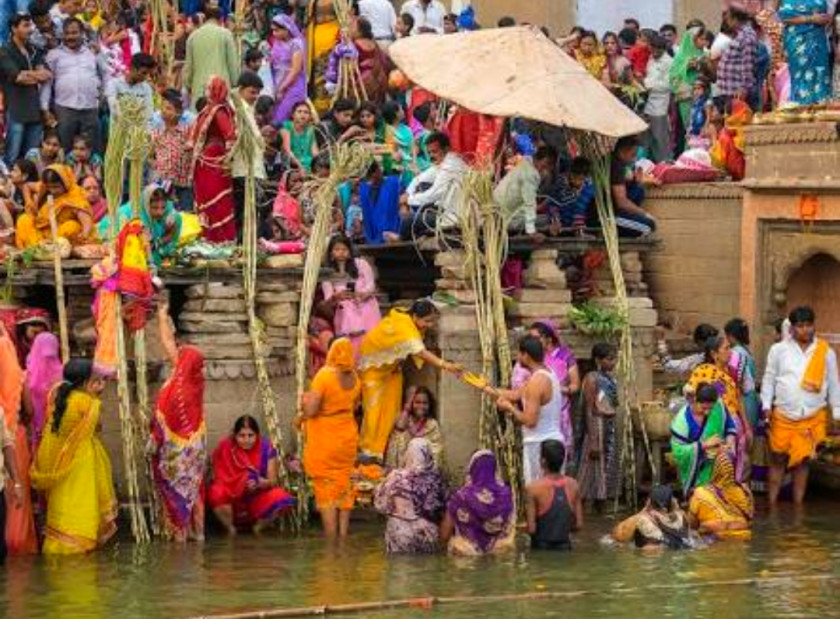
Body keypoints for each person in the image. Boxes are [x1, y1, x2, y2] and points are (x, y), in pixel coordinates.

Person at [358, 299, 462, 464]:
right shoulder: (404, 327)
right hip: (373, 370)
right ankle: (368, 452)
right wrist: (445, 364)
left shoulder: (408, 320)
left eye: (432, 322)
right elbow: (420, 352)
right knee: (374, 413)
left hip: (392, 370)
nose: (429, 325)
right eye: (427, 321)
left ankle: (381, 451)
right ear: (414, 316)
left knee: (391, 412)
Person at [30, 359, 117, 554]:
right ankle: (79, 547)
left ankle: (57, 545)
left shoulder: (56, 397)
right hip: (82, 464)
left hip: (61, 463)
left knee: (63, 504)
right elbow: (95, 429)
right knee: (80, 504)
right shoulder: (88, 403)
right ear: (86, 382)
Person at [761, 306, 840, 506]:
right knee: (777, 459)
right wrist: (765, 405)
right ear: (792, 328)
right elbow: (769, 379)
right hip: (783, 414)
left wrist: (837, 412)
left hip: (812, 416)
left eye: (808, 325)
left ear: (814, 326)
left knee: (803, 462)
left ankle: (798, 509)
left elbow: (833, 383)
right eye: (800, 326)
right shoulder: (778, 350)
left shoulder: (826, 352)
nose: (805, 330)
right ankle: (772, 506)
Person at [149, 301, 206, 542]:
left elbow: (167, 415)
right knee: (195, 491)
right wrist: (162, 315)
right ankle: (199, 536)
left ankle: (180, 540)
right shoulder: (194, 379)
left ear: (183, 362)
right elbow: (168, 344)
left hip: (176, 450)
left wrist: (154, 435)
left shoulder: (179, 386)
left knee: (176, 493)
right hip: (196, 447)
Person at [300, 338, 360, 540]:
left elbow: (311, 410)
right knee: (343, 484)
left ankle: (330, 542)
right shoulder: (355, 377)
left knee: (326, 489)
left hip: (326, 438)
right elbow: (356, 405)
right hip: (347, 437)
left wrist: (304, 401)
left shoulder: (324, 376)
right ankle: (343, 538)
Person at [492, 335, 564, 485]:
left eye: (519, 353)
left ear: (526, 355)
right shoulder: (546, 373)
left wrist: (509, 408)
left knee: (539, 494)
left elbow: (530, 421)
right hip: (551, 442)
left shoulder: (536, 382)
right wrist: (485, 387)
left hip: (540, 445)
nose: (517, 357)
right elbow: (517, 394)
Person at [208, 415, 295, 534]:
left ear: (257, 435)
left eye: (250, 435)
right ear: (235, 435)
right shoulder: (226, 447)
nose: (246, 440)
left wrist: (261, 483)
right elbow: (218, 477)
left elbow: (273, 481)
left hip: (256, 499)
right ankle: (230, 530)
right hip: (232, 501)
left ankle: (257, 529)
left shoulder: (266, 448)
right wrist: (241, 482)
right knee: (215, 492)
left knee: (282, 498)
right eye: (242, 435)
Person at [686, 335, 750, 481]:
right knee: (715, 463)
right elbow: (689, 392)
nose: (731, 352)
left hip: (733, 425)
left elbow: (738, 399)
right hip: (714, 426)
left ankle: (729, 497)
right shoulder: (703, 371)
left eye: (730, 348)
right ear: (714, 354)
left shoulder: (731, 372)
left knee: (733, 465)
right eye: (726, 348)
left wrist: (746, 426)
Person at [512, 321, 580, 459]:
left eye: (537, 338)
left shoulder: (563, 357)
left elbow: (575, 385)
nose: (533, 341)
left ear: (549, 339)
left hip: (559, 410)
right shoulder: (529, 364)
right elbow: (519, 389)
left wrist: (558, 389)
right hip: (534, 410)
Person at [40, 18, 108, 152]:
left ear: (82, 33)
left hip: (90, 109)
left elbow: (106, 74)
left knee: (92, 151)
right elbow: (47, 84)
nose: (70, 36)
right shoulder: (54, 55)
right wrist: (45, 108)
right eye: (67, 33)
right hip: (64, 110)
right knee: (63, 150)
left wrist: (103, 98)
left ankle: (92, 173)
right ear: (62, 34)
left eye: (74, 32)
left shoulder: (92, 52)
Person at [374, 437, 446, 553]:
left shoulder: (396, 477)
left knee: (400, 567)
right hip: (428, 533)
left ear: (408, 453)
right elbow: (443, 508)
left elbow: (380, 505)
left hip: (400, 533)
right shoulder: (437, 479)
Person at [0, 324, 36, 555]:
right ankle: (18, 543)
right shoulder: (19, 377)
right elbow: (30, 412)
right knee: (15, 493)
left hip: (11, 439)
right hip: (15, 437)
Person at [395, 131, 467, 241]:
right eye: (429, 152)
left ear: (446, 149)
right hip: (444, 209)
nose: (431, 156)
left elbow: (433, 194)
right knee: (421, 190)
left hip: (452, 215)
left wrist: (408, 200)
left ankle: (400, 240)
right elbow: (418, 179)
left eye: (434, 152)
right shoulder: (445, 161)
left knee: (408, 221)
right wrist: (408, 194)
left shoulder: (451, 166)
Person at [440, 450, 515, 556]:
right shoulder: (506, 495)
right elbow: (511, 528)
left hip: (466, 554)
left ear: (472, 469)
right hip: (498, 553)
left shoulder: (460, 497)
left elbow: (444, 534)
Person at [0, 13, 51, 167]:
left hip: (35, 111)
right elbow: (17, 77)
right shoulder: (5, 51)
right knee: (12, 156)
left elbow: (47, 74)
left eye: (30, 25)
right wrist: (35, 75)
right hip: (16, 110)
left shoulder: (33, 49)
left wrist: (27, 74)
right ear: (14, 28)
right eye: (25, 26)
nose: (30, 29)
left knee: (31, 158)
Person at [192, 76, 237, 243]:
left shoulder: (219, 111)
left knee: (217, 202)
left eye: (208, 87)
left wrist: (227, 159)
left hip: (213, 164)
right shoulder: (208, 109)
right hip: (204, 163)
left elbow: (230, 136)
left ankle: (221, 240)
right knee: (205, 200)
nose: (205, 90)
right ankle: (208, 239)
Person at [671, 383, 737, 496]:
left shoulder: (718, 406)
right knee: (701, 501)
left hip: (718, 467)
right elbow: (678, 453)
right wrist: (703, 445)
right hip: (697, 473)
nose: (707, 412)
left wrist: (730, 443)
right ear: (694, 400)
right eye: (703, 408)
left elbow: (729, 426)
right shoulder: (682, 422)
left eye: (710, 408)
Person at [321, 235, 381, 356]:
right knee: (350, 349)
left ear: (349, 251)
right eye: (337, 249)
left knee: (370, 344)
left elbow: (371, 285)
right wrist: (336, 297)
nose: (341, 253)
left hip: (367, 308)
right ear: (331, 252)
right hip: (345, 314)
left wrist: (361, 293)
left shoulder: (361, 264)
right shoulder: (328, 273)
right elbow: (328, 298)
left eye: (344, 249)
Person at [577, 342, 621, 507]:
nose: (613, 362)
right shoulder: (591, 378)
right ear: (598, 360)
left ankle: (600, 502)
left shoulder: (610, 378)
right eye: (609, 359)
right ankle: (579, 505)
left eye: (614, 359)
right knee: (589, 464)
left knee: (604, 466)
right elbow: (589, 408)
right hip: (596, 425)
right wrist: (593, 439)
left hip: (608, 425)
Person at [98, 183, 182, 267]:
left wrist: (170, 233)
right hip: (114, 241)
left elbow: (174, 223)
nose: (159, 212)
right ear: (146, 205)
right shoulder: (134, 215)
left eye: (163, 207)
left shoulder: (167, 213)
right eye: (155, 208)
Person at [15, 164, 94, 249]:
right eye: (50, 187)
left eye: (56, 187)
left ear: (66, 182)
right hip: (42, 233)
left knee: (71, 226)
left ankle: (50, 249)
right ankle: (37, 248)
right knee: (24, 219)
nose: (52, 191)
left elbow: (86, 222)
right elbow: (27, 186)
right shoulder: (44, 188)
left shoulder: (75, 196)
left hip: (61, 236)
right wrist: (29, 201)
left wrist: (84, 236)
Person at [525, 440, 583, 551]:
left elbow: (531, 529)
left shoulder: (532, 488)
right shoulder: (574, 484)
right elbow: (579, 525)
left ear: (543, 461)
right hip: (565, 547)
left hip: (540, 550)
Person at [182, 6, 239, 110]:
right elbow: (233, 65)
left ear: (205, 19)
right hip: (221, 89)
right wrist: (235, 83)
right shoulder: (226, 34)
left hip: (199, 89)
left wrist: (188, 85)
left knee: (200, 120)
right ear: (221, 19)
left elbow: (189, 67)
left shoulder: (193, 36)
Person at [688, 451, 754, 540]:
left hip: (711, 542)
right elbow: (750, 523)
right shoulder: (745, 491)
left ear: (715, 469)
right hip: (740, 542)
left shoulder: (700, 493)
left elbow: (692, 526)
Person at [779, 0, 832, 104]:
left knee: (820, 75)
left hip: (818, 41)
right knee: (801, 76)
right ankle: (801, 108)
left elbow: (826, 14)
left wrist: (826, 19)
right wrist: (811, 19)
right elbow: (784, 17)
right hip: (798, 42)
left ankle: (821, 109)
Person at [150, 89, 194, 211]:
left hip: (184, 184)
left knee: (186, 213)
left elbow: (194, 148)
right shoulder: (157, 133)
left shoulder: (187, 131)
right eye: (163, 108)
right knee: (164, 212)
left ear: (179, 113)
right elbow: (150, 154)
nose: (164, 111)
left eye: (169, 108)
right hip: (163, 183)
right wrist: (154, 163)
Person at [612, 485, 693, 549]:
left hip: (652, 554)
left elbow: (617, 536)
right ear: (672, 502)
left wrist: (641, 513)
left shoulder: (641, 520)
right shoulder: (682, 517)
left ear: (649, 501)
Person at [494, 134, 542, 240]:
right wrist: (532, 232)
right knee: (546, 220)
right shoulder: (530, 174)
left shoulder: (525, 162)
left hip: (499, 213)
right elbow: (530, 203)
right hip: (505, 219)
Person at [22, 332, 63, 454]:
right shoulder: (62, 374)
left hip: (36, 430)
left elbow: (28, 411)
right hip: (57, 430)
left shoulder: (26, 375)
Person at [609, 136, 656, 238]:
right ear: (623, 151)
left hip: (618, 212)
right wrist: (644, 214)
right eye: (633, 155)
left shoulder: (620, 164)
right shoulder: (615, 166)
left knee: (638, 190)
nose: (634, 159)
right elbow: (621, 202)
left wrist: (636, 182)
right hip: (608, 217)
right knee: (649, 226)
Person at [386, 385, 443, 468]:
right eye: (417, 402)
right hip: (403, 467)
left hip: (423, 469)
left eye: (425, 403)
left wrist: (417, 445)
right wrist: (407, 407)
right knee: (399, 436)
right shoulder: (405, 419)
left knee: (417, 444)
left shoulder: (432, 424)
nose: (421, 406)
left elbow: (437, 450)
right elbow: (400, 427)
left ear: (429, 405)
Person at [716, 9, 759, 110]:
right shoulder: (739, 34)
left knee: (738, 122)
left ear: (735, 19)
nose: (726, 22)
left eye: (728, 19)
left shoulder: (747, 36)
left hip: (737, 92)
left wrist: (743, 87)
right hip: (729, 90)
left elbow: (748, 65)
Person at [269, 14, 306, 125]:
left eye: (277, 30)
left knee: (284, 116)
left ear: (287, 29)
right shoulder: (277, 43)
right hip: (278, 82)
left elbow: (295, 70)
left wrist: (282, 88)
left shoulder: (296, 44)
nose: (274, 34)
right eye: (273, 31)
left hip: (292, 85)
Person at [669, 27, 707, 132]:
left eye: (705, 39)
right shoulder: (681, 57)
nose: (704, 42)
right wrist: (687, 66)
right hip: (687, 97)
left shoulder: (705, 54)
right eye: (701, 39)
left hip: (704, 95)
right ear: (692, 40)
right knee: (690, 127)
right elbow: (672, 76)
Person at [306, 0, 341, 115]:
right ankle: (320, 108)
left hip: (333, 35)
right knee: (318, 73)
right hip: (317, 36)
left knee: (331, 72)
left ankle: (331, 106)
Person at [643, 34, 673, 163]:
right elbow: (649, 76)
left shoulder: (669, 62)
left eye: (657, 50)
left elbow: (668, 85)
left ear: (663, 49)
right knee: (647, 139)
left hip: (660, 105)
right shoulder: (651, 58)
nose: (654, 52)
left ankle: (665, 163)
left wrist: (648, 86)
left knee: (660, 138)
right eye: (652, 48)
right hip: (647, 104)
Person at [358, 160, 401, 244]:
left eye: (372, 178)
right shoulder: (364, 189)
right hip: (372, 239)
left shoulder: (393, 183)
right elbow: (365, 214)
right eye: (368, 179)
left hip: (392, 236)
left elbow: (402, 202)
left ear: (378, 171)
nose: (370, 182)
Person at [106, 52, 156, 120]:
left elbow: (149, 114)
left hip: (139, 129)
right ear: (133, 68)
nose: (146, 77)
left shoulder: (146, 88)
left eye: (148, 74)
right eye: (144, 73)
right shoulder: (114, 84)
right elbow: (114, 110)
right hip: (118, 129)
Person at [280, 101, 319, 172]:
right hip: (292, 166)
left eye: (306, 112)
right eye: (299, 111)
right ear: (293, 114)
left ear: (310, 116)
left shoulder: (310, 130)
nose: (302, 115)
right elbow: (287, 151)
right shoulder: (286, 126)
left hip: (309, 165)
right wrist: (300, 166)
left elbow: (315, 153)